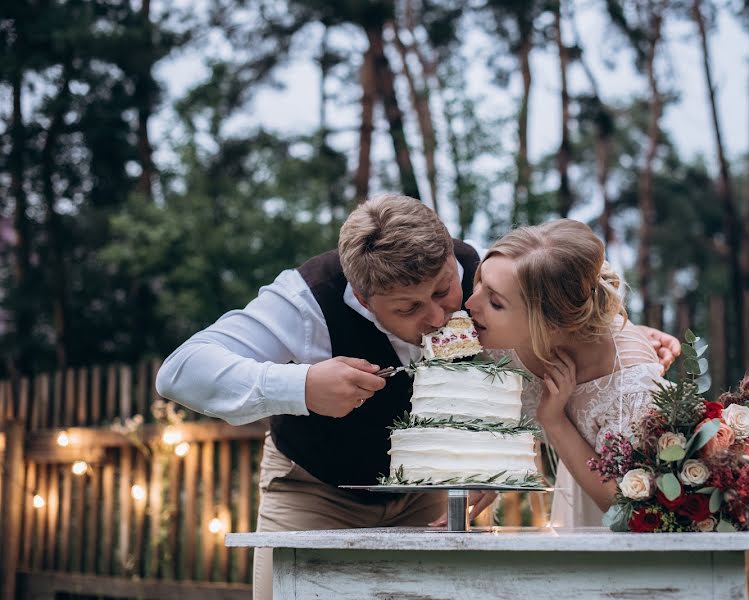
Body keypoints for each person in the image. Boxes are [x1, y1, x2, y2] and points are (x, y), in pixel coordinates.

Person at [156, 196, 679, 599]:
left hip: (439, 499)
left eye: (443, 290)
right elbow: (181, 372)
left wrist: (629, 338)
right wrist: (302, 387)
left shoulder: (481, 276)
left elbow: (553, 322)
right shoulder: (302, 301)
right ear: (363, 298)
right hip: (317, 492)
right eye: (408, 308)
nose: (437, 317)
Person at [465, 219, 669, 527]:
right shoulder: (497, 325)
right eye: (480, 282)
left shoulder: (631, 384)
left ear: (551, 324)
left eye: (495, 302)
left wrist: (554, 421)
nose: (469, 303)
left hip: (604, 528)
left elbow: (626, 510)